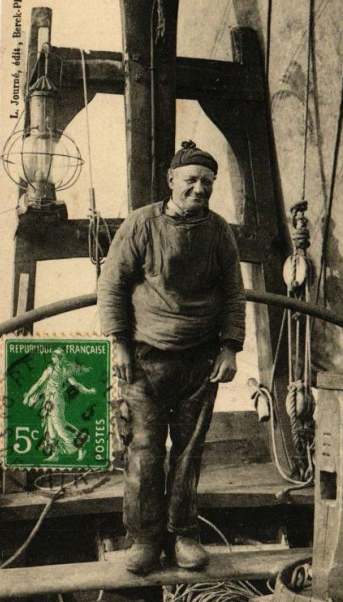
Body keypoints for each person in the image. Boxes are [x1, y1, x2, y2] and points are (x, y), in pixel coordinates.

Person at [98, 140, 246, 574]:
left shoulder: (219, 231)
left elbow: (235, 294)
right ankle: (144, 539)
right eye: (191, 181)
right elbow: (112, 286)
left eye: (207, 182)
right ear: (171, 182)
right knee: (143, 450)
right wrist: (119, 343)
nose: (199, 189)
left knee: (188, 452)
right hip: (144, 361)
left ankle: (183, 534)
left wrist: (230, 347)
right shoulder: (141, 225)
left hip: (199, 363)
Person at [23, 348, 96, 462]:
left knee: (59, 427)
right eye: (52, 356)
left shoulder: (51, 370)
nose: (52, 358)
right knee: (51, 427)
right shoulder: (65, 370)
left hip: (54, 400)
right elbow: (76, 384)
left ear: (59, 358)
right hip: (51, 399)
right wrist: (89, 391)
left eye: (54, 356)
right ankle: (55, 453)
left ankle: (80, 446)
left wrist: (28, 396)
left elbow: (39, 383)